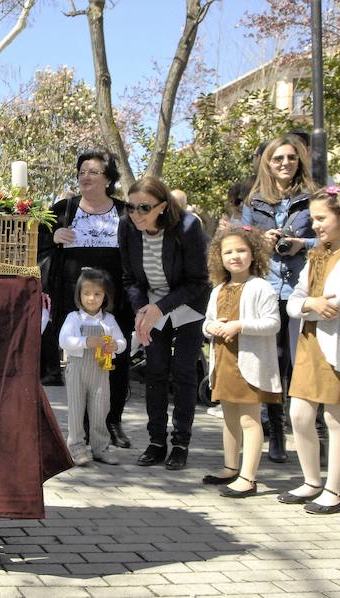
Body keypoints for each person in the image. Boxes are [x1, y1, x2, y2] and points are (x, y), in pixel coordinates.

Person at [278, 185, 340, 514]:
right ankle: (311, 480)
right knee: (299, 413)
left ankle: (334, 490)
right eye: (313, 219)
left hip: (337, 346)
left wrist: (308, 303)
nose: (316, 225)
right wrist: (310, 302)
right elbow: (297, 300)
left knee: (336, 417)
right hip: (309, 342)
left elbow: (332, 302)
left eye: (322, 218)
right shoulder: (315, 255)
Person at [38, 149, 134, 449]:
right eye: (81, 171)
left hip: (115, 299)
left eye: (93, 171)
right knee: (80, 361)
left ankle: (112, 421)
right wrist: (52, 238)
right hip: (73, 298)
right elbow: (35, 239)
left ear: (109, 179)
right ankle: (80, 426)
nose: (85, 176)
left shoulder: (125, 213)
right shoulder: (65, 208)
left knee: (114, 359)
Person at [118, 175, 210, 471]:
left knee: (183, 372)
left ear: (162, 206)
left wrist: (160, 308)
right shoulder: (127, 227)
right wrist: (142, 311)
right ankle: (156, 441)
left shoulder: (187, 226)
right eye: (131, 208)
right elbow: (129, 278)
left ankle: (181, 442)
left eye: (144, 208)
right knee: (155, 372)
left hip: (187, 306)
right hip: (151, 306)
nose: (136, 215)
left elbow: (198, 281)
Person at [242, 134, 318, 464]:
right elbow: (240, 244)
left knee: (301, 363)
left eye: (290, 157)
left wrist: (304, 243)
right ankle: (275, 432)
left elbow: (329, 236)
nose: (284, 163)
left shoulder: (313, 198)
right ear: (267, 164)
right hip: (267, 289)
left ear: (299, 160)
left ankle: (310, 432)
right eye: (278, 159)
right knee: (272, 362)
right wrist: (261, 238)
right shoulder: (254, 202)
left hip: (303, 288)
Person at [202, 226, 282, 498]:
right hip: (224, 362)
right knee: (229, 418)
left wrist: (240, 325)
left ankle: (248, 477)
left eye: (241, 250)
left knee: (249, 420)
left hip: (249, 364)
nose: (235, 256)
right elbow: (207, 323)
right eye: (228, 252)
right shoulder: (218, 289)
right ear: (219, 257)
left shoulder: (261, 287)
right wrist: (211, 328)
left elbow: (273, 323)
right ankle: (230, 466)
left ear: (253, 253)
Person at [58, 267, 126, 467]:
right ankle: (76, 447)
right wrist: (86, 342)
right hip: (76, 370)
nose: (91, 298)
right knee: (77, 410)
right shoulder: (74, 318)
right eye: (86, 293)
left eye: (97, 294)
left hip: (101, 370)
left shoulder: (109, 320)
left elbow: (121, 341)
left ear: (105, 296)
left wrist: (116, 345)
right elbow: (64, 340)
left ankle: (100, 448)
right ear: (79, 295)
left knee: (100, 409)